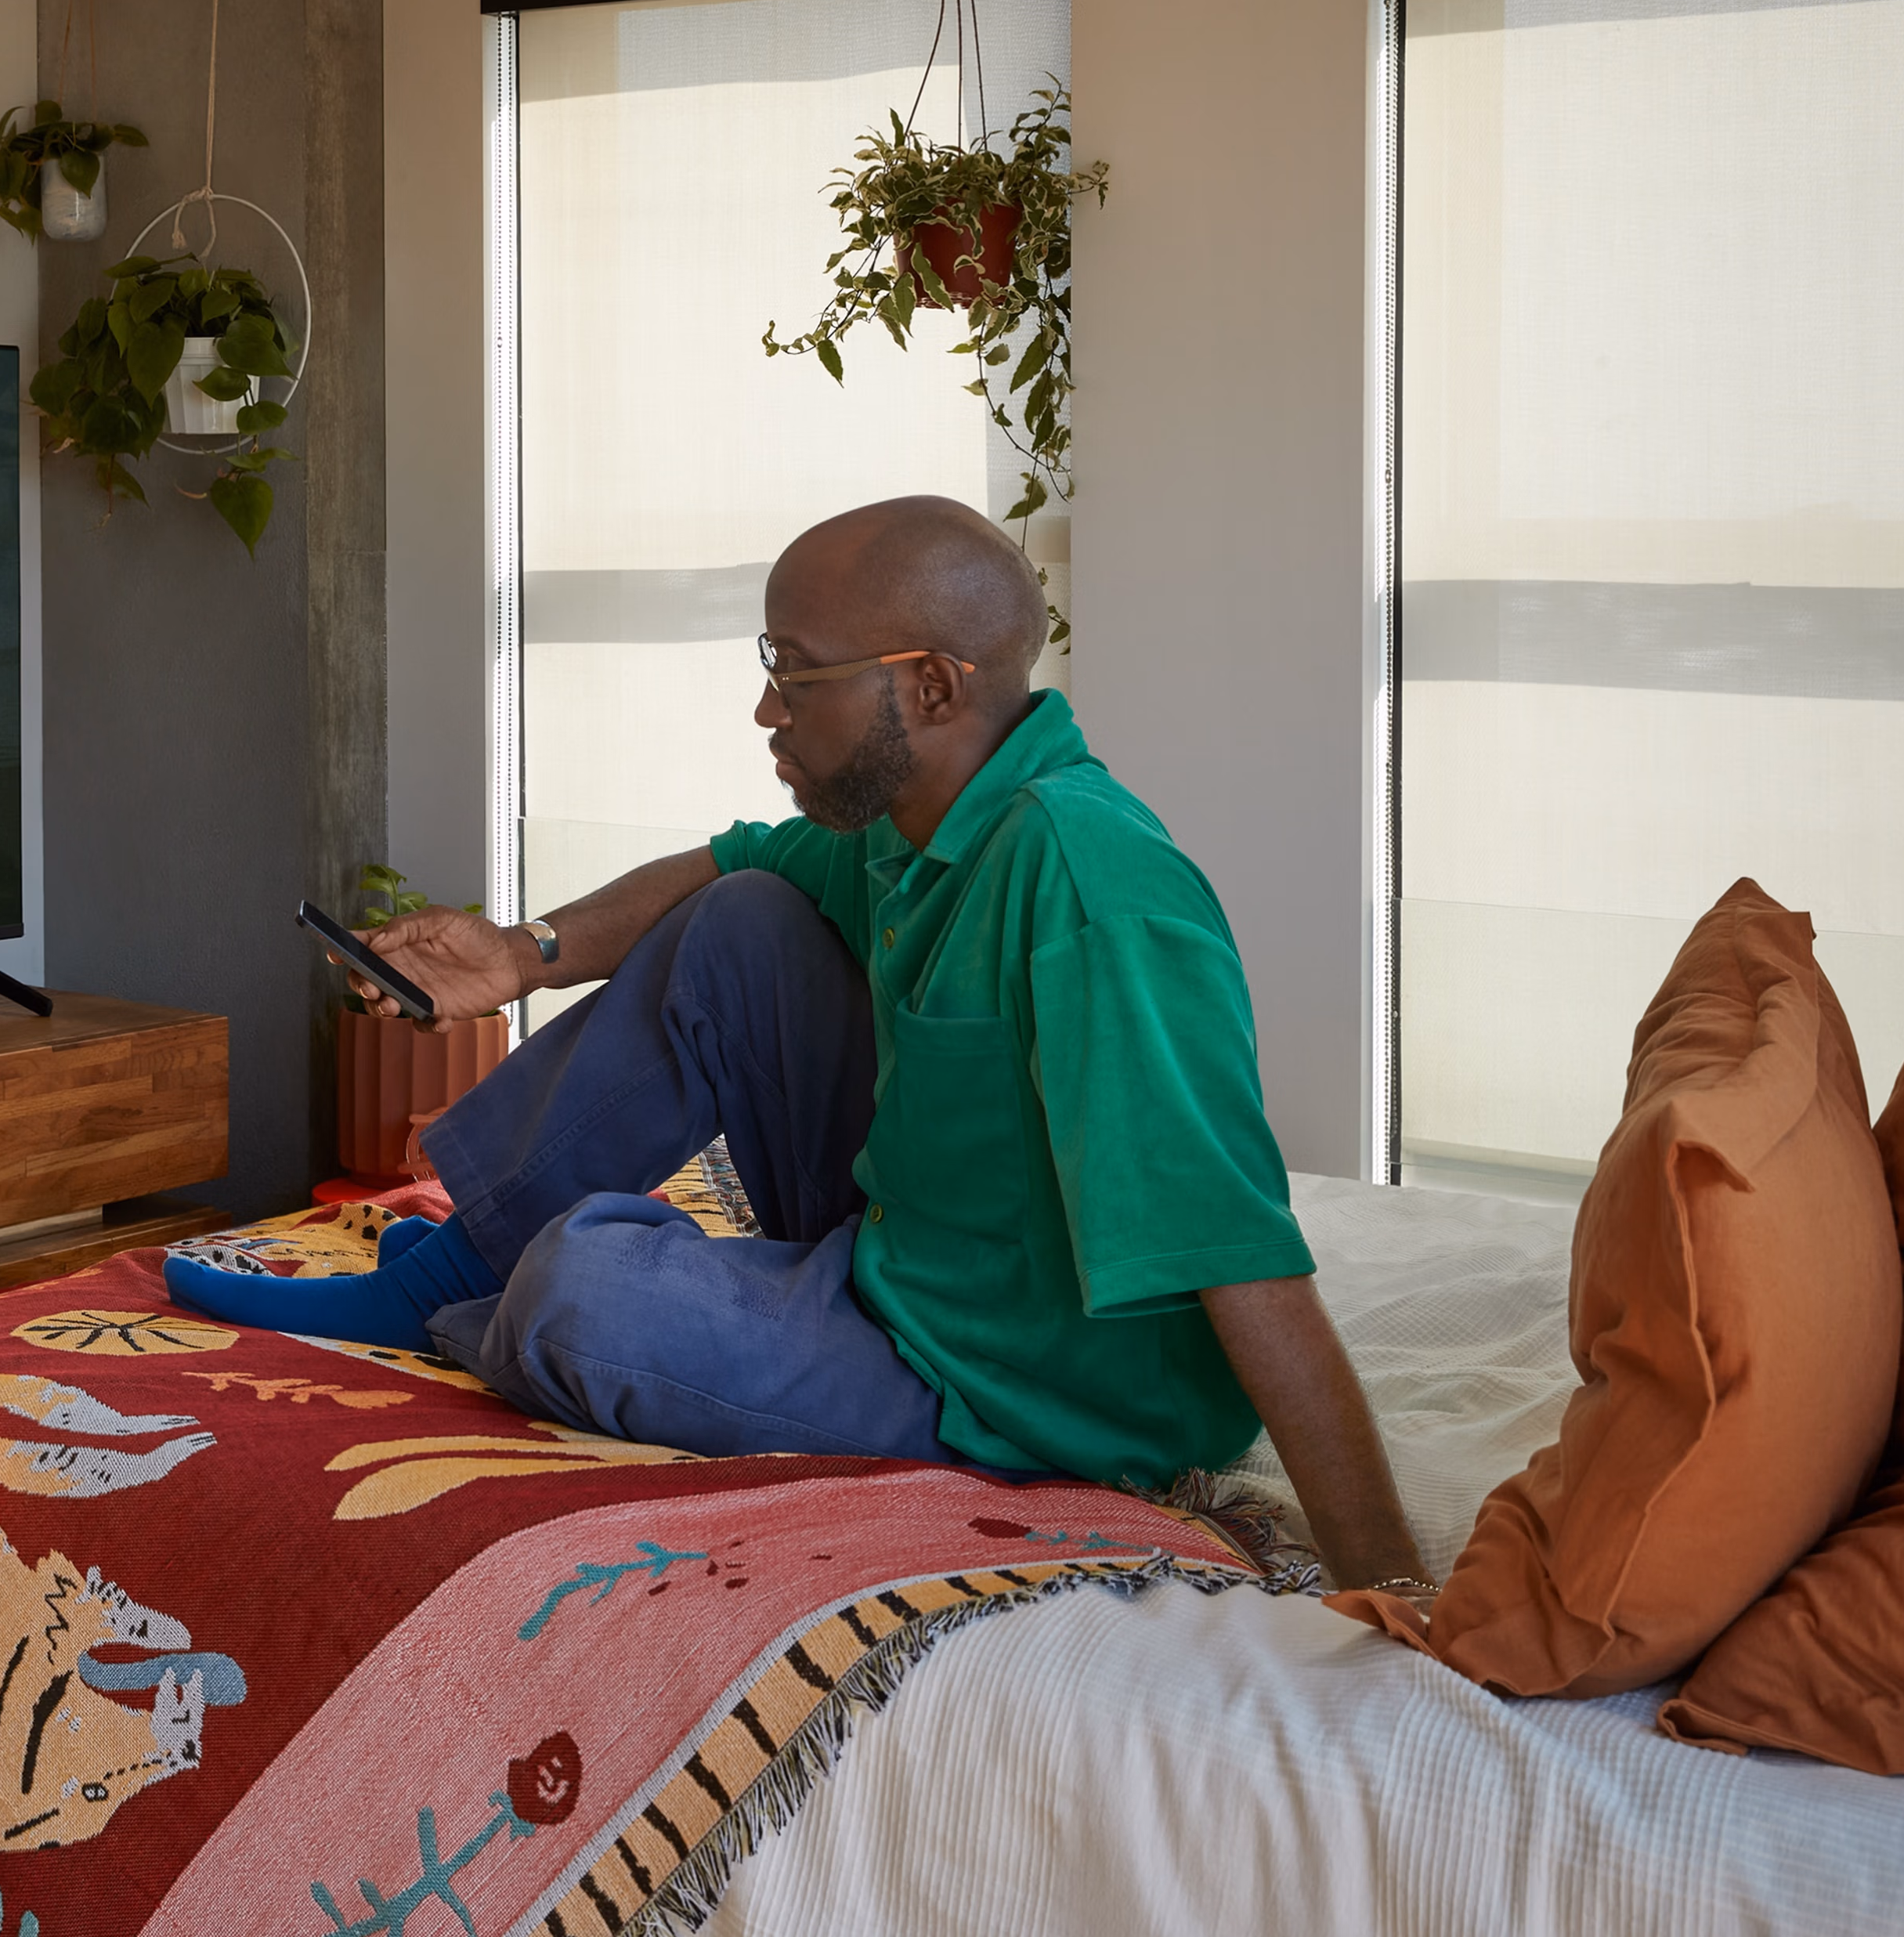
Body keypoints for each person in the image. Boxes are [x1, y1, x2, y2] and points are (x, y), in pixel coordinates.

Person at [165, 494, 1435, 1603]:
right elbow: (729, 864)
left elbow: (1244, 1260)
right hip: (907, 1263)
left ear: (929, 685)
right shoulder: (914, 811)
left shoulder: (1090, 888)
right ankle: (448, 1271)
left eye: (800, 672)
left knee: (583, 1295)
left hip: (1020, 1391)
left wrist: (1390, 1585)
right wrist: (517, 952)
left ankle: (519, 1288)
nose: (768, 706)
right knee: (742, 923)